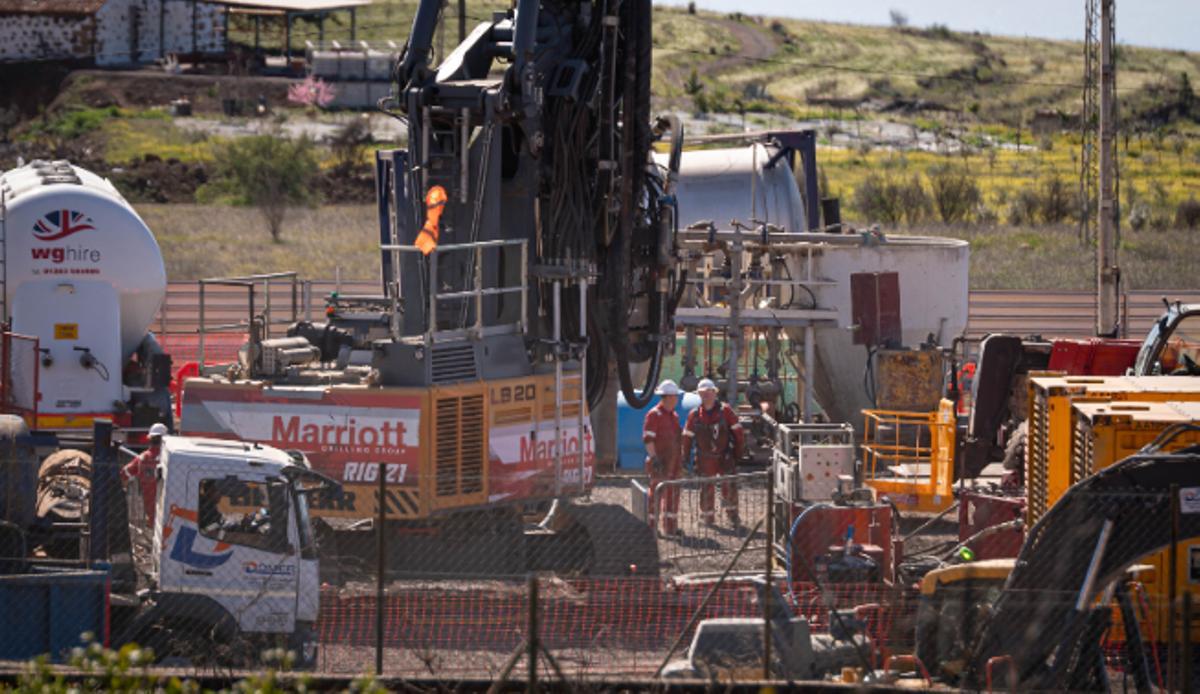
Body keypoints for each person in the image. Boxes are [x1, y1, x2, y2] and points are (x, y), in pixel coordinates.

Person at [681, 379, 745, 526]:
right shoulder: (695, 415)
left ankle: (733, 516)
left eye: (709, 393)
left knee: (729, 485)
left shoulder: (726, 411)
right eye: (702, 393)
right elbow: (687, 437)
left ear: (714, 393)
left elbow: (738, 433)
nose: (706, 396)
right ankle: (707, 516)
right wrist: (684, 458)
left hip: (724, 456)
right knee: (706, 487)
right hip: (705, 458)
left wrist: (738, 453)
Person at [643, 380, 683, 536]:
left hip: (674, 462)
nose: (677, 399)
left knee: (673, 494)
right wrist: (654, 458)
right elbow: (648, 439)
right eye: (675, 396)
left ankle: (670, 528)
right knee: (656, 495)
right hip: (660, 462)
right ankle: (652, 527)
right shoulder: (654, 414)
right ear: (667, 397)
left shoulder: (674, 415)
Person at [120, 422, 168, 526]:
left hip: (150, 505)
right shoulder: (170, 459)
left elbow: (124, 473)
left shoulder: (143, 458)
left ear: (150, 439)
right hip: (169, 505)